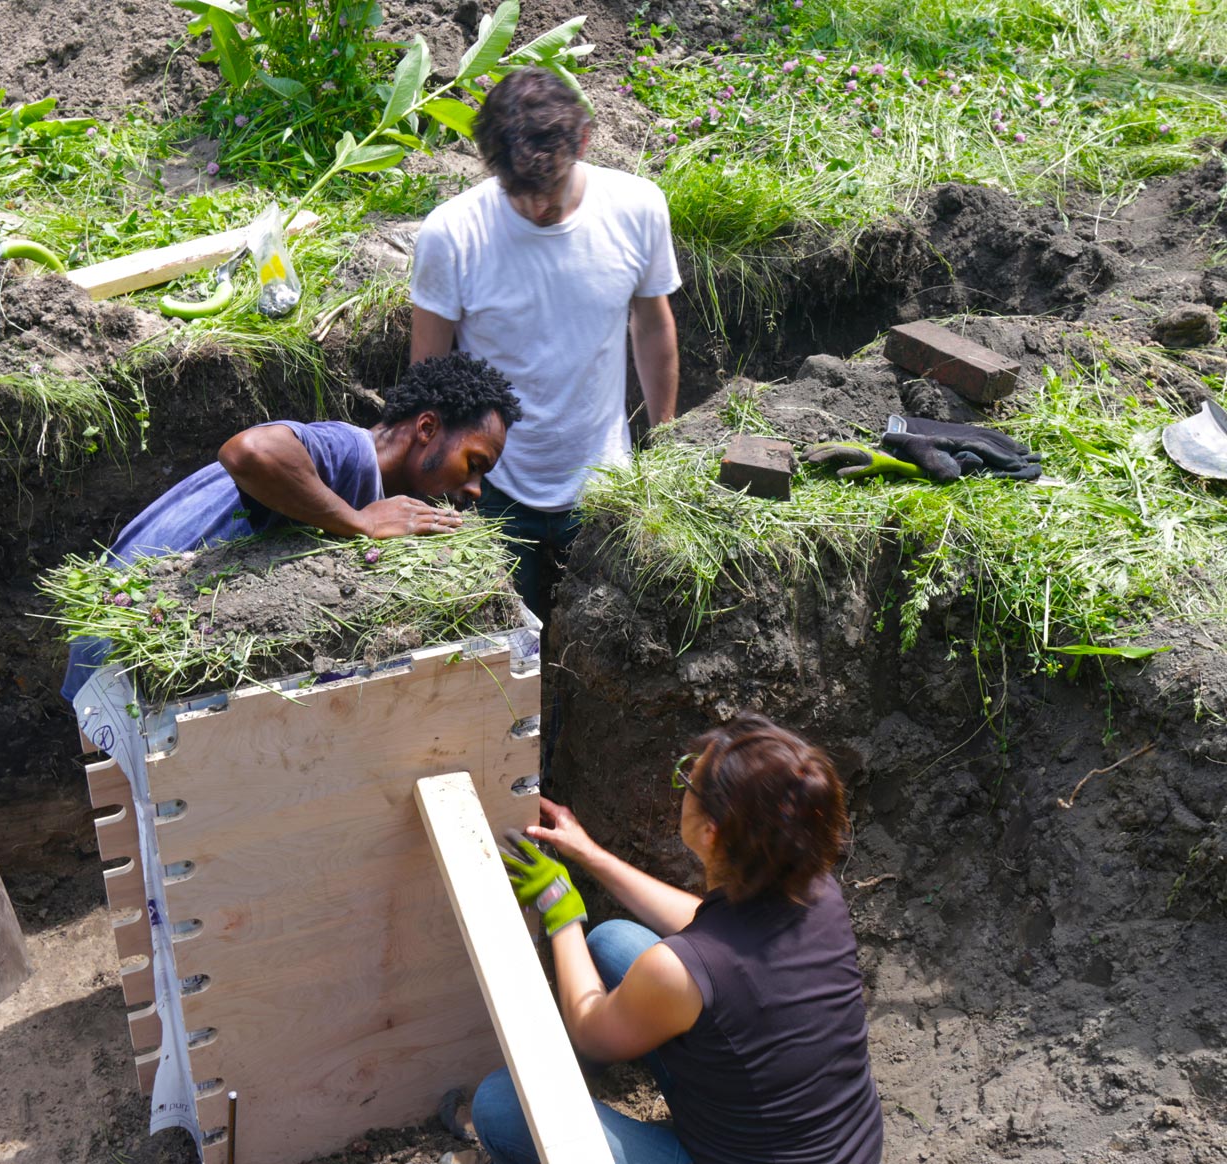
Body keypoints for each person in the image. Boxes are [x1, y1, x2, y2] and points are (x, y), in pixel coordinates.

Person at [481, 712, 884, 1164]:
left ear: (711, 832)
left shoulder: (677, 974)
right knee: (614, 941)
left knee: (500, 1105)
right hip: (843, 1150)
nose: (684, 783)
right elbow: (714, 941)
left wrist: (561, 910)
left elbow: (589, 1029)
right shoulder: (814, 889)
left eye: (689, 781)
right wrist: (592, 856)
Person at [60, 353, 523, 702]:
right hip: (121, 650)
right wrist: (359, 522)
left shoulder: (362, 476)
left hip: (128, 646)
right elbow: (250, 451)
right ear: (426, 428)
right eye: (474, 464)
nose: (476, 489)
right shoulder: (348, 453)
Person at [409, 66, 681, 616]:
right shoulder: (453, 233)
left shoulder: (636, 208)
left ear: (583, 141)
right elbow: (428, 376)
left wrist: (666, 444)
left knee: (601, 649)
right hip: (492, 491)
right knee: (509, 657)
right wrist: (432, 492)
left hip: (604, 485)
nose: (536, 209)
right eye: (518, 192)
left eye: (547, 189)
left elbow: (652, 325)